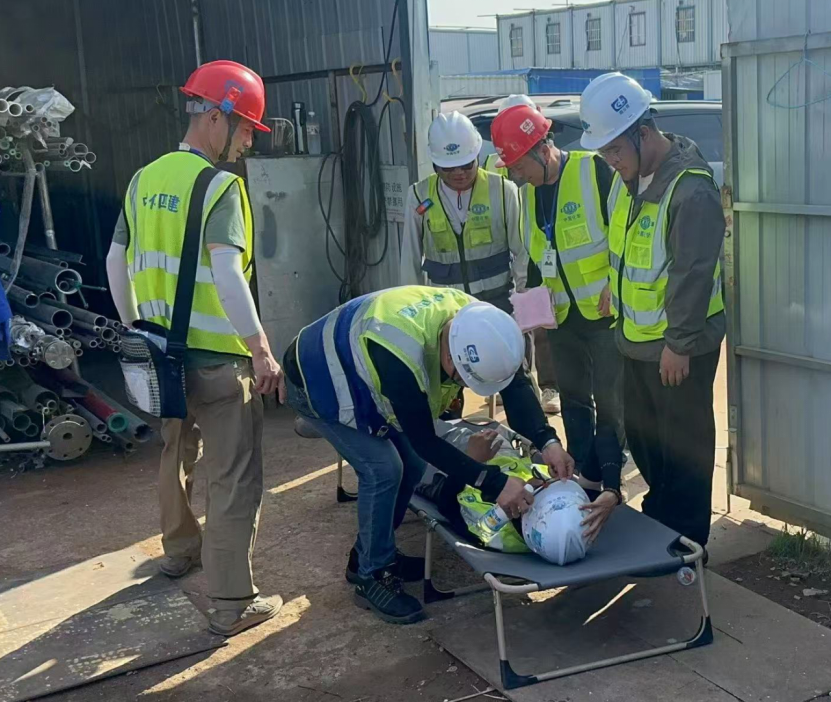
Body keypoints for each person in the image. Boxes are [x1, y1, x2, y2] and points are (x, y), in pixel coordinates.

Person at [106, 60, 285, 637]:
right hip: (218, 362)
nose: (248, 142)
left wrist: (136, 329)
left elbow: (115, 260)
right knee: (234, 477)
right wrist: (260, 349)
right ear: (216, 117)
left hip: (162, 358)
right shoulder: (220, 187)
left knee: (175, 452)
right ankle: (232, 603)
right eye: (246, 129)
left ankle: (180, 551)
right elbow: (227, 274)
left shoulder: (142, 180)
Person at [282, 286, 575, 624]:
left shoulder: (484, 327)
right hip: (315, 377)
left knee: (412, 466)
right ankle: (371, 576)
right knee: (384, 469)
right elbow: (424, 439)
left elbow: (516, 386)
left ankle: (369, 555)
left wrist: (548, 441)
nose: (465, 389)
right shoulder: (401, 355)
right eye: (465, 381)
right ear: (451, 359)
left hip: (357, 361)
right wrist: (494, 483)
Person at [578, 73, 726, 549]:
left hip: (677, 347)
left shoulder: (690, 189)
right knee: (647, 443)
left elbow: (693, 272)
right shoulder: (628, 178)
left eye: (614, 150)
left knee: (684, 449)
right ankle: (659, 522)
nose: (610, 160)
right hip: (636, 342)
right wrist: (613, 288)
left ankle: (686, 546)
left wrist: (679, 344)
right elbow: (629, 249)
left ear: (643, 133)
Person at [490, 104, 626, 510]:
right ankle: (582, 472)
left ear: (542, 149)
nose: (517, 175)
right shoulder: (528, 194)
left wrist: (616, 284)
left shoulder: (593, 170)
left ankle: (610, 478)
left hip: (603, 314)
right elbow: (536, 256)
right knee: (573, 399)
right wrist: (531, 307)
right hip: (562, 318)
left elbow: (623, 230)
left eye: (519, 165)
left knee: (610, 400)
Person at [419, 418, 621, 553]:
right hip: (497, 445)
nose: (549, 482)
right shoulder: (579, 518)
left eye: (544, 488)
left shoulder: (492, 529)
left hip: (451, 459)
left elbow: (446, 504)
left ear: (526, 505)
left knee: (423, 425)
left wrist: (473, 459)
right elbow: (606, 433)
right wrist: (612, 491)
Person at [399, 111, 527, 315]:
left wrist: (526, 305)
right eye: (449, 168)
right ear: (435, 165)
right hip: (445, 311)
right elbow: (410, 260)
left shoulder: (504, 191)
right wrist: (412, 311)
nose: (459, 173)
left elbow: (523, 253)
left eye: (466, 165)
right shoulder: (418, 195)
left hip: (497, 306)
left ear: (477, 157)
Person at [482, 94, 562, 416]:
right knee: (518, 327)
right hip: (515, 252)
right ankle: (516, 383)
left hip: (538, 253)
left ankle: (549, 385)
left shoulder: (557, 166)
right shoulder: (494, 163)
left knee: (542, 331)